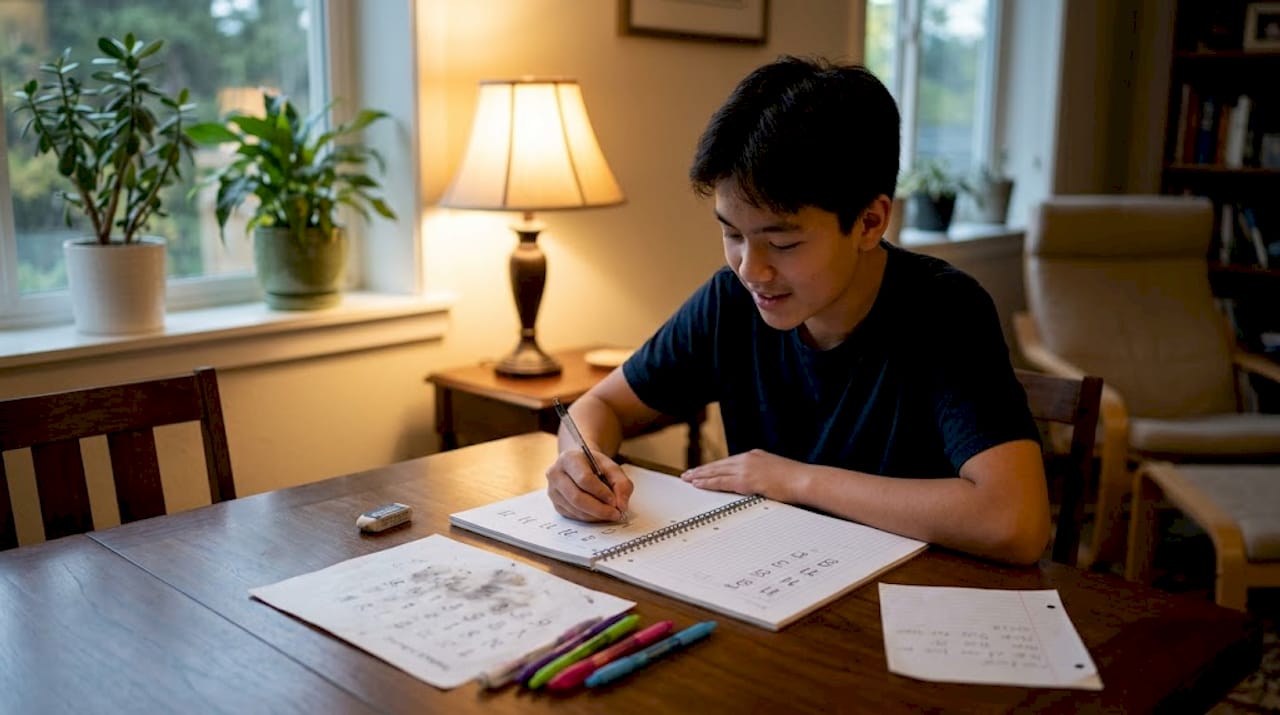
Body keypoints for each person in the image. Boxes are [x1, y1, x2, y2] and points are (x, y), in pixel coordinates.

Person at [545, 55, 1049, 565]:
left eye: (782, 243)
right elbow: (600, 406)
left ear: (870, 222)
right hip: (770, 588)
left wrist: (795, 479)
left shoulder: (944, 310)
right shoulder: (731, 301)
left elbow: (1014, 520)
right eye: (732, 234)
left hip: (909, 602)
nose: (751, 269)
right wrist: (578, 462)